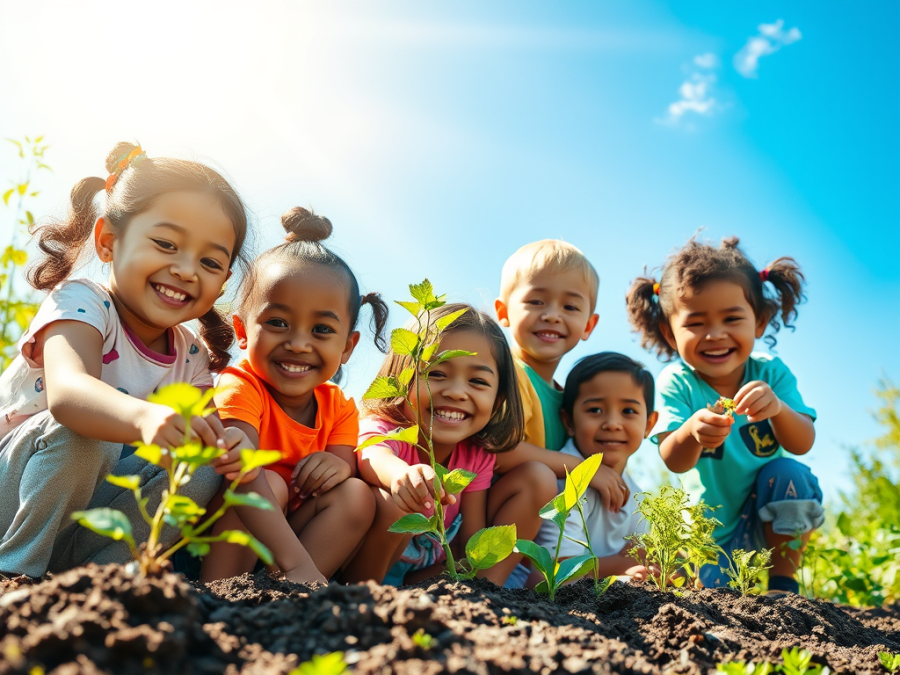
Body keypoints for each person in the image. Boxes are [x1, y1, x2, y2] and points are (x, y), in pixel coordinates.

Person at [0, 142, 251, 577]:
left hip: (79, 518)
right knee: (88, 430)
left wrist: (230, 445)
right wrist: (144, 418)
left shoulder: (190, 354)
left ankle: (95, 582)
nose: (187, 269)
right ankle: (14, 575)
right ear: (108, 241)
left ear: (223, 280)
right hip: (13, 493)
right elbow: (70, 394)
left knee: (202, 468)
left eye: (209, 261)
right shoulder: (82, 303)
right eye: (166, 243)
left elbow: (203, 434)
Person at [626, 236, 822, 594]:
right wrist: (689, 432)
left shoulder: (771, 374)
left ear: (759, 322)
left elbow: (803, 442)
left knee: (790, 474)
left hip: (769, 517)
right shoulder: (677, 382)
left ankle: (782, 583)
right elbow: (674, 460)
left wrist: (777, 409)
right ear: (670, 333)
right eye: (696, 323)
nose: (715, 335)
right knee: (717, 599)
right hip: (709, 533)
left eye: (732, 318)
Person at [202, 208, 384, 584]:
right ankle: (216, 593)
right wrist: (294, 562)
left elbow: (342, 465)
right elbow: (243, 474)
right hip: (223, 534)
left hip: (287, 541)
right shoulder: (241, 385)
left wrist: (339, 467)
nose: (299, 344)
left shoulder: (339, 408)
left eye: (321, 329)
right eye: (278, 323)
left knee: (356, 495)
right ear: (241, 329)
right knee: (271, 482)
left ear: (348, 347)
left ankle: (294, 597)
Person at [343, 304, 557, 586]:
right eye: (435, 374)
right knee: (394, 506)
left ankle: (482, 593)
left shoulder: (476, 456)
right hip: (365, 568)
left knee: (539, 478)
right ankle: (360, 600)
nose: (456, 392)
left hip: (424, 577)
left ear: (498, 400)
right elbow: (372, 454)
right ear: (401, 378)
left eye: (478, 381)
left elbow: (470, 540)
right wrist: (400, 475)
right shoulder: (387, 429)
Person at [534, 352, 657, 580]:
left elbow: (638, 557)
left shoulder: (638, 496)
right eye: (595, 410)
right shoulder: (565, 481)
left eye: (628, 411)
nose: (612, 424)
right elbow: (556, 571)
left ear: (649, 424)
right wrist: (622, 566)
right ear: (569, 421)